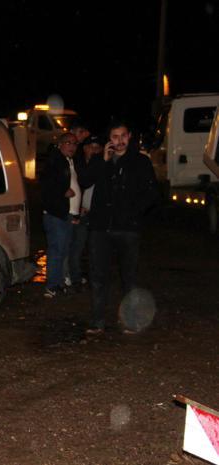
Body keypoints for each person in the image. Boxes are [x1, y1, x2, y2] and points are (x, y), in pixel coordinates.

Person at [80, 121, 159, 334]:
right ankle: (98, 321)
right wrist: (103, 161)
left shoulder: (140, 161)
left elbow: (152, 193)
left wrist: (133, 212)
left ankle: (131, 321)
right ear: (109, 139)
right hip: (100, 228)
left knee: (129, 278)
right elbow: (85, 180)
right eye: (115, 136)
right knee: (98, 277)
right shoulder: (100, 160)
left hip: (128, 229)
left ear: (129, 136)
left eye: (123, 136)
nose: (120, 141)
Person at [39, 131, 79, 298]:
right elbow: (47, 183)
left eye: (74, 143)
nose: (72, 146)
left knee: (63, 250)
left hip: (67, 214)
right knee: (57, 250)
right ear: (61, 144)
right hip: (56, 214)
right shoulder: (55, 160)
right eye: (68, 143)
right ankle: (52, 285)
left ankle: (59, 282)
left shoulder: (69, 161)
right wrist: (63, 191)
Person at [66, 135, 103, 290]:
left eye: (97, 147)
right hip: (79, 213)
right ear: (85, 149)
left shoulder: (103, 165)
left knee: (94, 247)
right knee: (75, 247)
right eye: (90, 147)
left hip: (95, 214)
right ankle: (73, 276)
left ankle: (89, 276)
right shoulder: (78, 166)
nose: (94, 150)